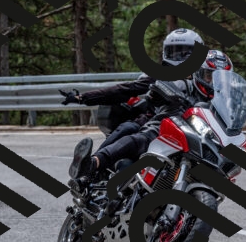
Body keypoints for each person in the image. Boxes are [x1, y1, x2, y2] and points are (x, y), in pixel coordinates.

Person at [69, 49, 235, 181]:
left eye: (220, 79)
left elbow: (231, 127)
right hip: (167, 130)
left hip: (197, 142)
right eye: (209, 76)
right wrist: (160, 92)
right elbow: (144, 88)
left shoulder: (222, 103)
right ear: (199, 73)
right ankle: (93, 163)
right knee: (137, 138)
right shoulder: (183, 83)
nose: (214, 82)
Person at [60, 28, 204, 152]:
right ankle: (94, 164)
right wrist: (83, 98)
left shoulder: (207, 76)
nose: (178, 58)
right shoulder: (160, 75)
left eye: (185, 53)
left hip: (196, 126)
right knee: (127, 129)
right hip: (156, 123)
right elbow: (125, 89)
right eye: (174, 52)